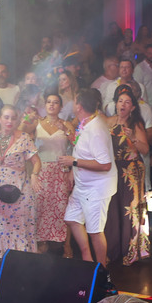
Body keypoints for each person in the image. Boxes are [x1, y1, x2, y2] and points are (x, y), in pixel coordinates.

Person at [58, 89, 117, 264]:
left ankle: (101, 269)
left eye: (75, 101)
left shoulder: (96, 129)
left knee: (95, 231)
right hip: (83, 185)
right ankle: (87, 259)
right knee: (71, 218)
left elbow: (105, 164)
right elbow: (82, 146)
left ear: (79, 106)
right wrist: (68, 133)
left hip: (97, 189)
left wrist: (74, 162)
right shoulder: (86, 122)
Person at [0, 105, 41, 262]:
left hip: (21, 190)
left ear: (17, 121)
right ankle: (6, 262)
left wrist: (34, 175)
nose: (9, 121)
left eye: (13, 118)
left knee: (20, 228)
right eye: (6, 117)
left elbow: (36, 161)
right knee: (2, 227)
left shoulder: (24, 138)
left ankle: (22, 263)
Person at [104, 87, 150, 265]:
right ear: (116, 104)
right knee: (112, 209)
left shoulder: (135, 124)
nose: (122, 104)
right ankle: (112, 250)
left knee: (129, 210)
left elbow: (145, 150)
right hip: (112, 170)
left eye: (127, 102)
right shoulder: (108, 121)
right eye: (120, 101)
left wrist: (134, 139)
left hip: (131, 172)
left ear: (132, 107)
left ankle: (130, 251)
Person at [34, 92, 74, 252]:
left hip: (60, 170)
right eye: (49, 102)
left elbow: (78, 143)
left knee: (62, 207)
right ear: (45, 105)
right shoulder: (37, 123)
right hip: (41, 169)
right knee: (40, 205)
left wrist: (66, 130)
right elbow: (22, 135)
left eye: (55, 102)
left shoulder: (66, 124)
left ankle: (67, 244)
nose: (51, 105)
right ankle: (41, 241)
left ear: (61, 106)